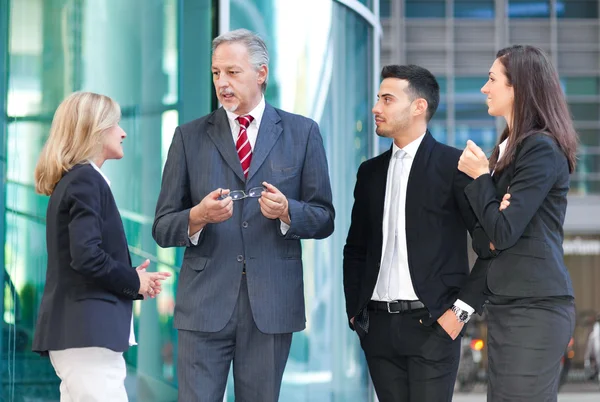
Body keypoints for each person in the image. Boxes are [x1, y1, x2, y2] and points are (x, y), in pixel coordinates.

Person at [152, 29, 334, 402]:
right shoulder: (188, 138)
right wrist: (198, 217)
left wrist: (287, 212)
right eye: (217, 73)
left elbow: (324, 217)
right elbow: (162, 226)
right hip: (203, 305)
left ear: (261, 73)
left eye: (233, 72)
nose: (223, 83)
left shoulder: (302, 133)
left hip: (271, 305)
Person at [343, 64, 494, 402]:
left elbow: (491, 248)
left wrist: (459, 315)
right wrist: (356, 312)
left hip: (434, 326)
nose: (376, 108)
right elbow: (355, 249)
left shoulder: (455, 167)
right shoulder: (369, 173)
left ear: (418, 107)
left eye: (387, 99)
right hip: (378, 329)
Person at [31, 91, 171, 401]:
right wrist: (134, 279)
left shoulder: (75, 181)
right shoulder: (86, 180)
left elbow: (82, 256)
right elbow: (86, 256)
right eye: (115, 124)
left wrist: (133, 280)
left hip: (81, 335)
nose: (123, 132)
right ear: (94, 130)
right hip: (86, 335)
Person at [458, 44, 578, 401]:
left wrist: (481, 179)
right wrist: (494, 206)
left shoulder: (540, 148)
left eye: (492, 79)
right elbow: (485, 239)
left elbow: (503, 232)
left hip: (535, 308)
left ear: (519, 88)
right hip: (510, 306)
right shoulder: (508, 149)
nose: (484, 87)